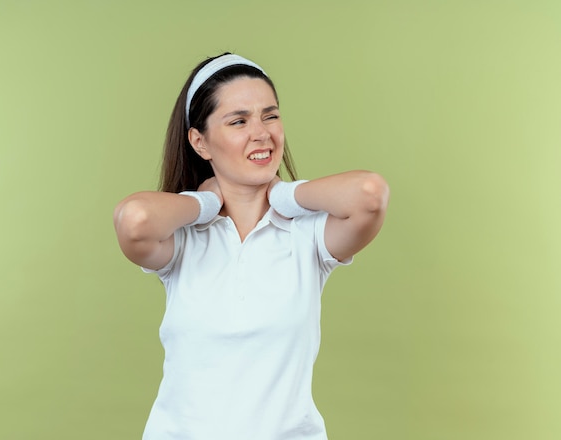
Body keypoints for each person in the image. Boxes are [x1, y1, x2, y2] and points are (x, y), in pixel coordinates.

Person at [113, 53, 389, 440]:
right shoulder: (183, 240)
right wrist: (206, 201)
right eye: (239, 121)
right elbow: (134, 219)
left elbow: (369, 194)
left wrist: (285, 196)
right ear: (200, 142)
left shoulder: (306, 235)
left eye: (270, 116)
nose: (261, 133)